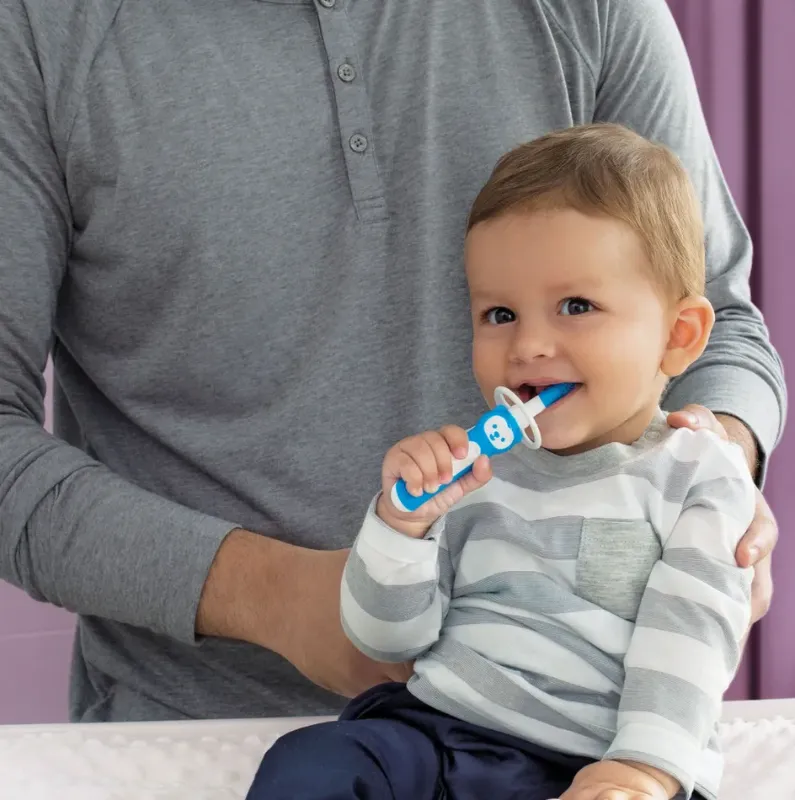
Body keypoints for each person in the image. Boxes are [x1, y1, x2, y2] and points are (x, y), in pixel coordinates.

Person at [0, 0, 782, 723]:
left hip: (581, 733)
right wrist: (277, 598)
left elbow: (716, 320)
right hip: (194, 734)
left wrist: (709, 469)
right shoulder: (40, 30)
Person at [248, 124, 754, 800]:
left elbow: (689, 642)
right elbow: (388, 640)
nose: (530, 345)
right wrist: (400, 527)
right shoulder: (475, 469)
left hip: (601, 756)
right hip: (440, 729)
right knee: (313, 762)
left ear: (678, 336)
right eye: (499, 314)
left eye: (576, 306)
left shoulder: (697, 476)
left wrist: (645, 771)